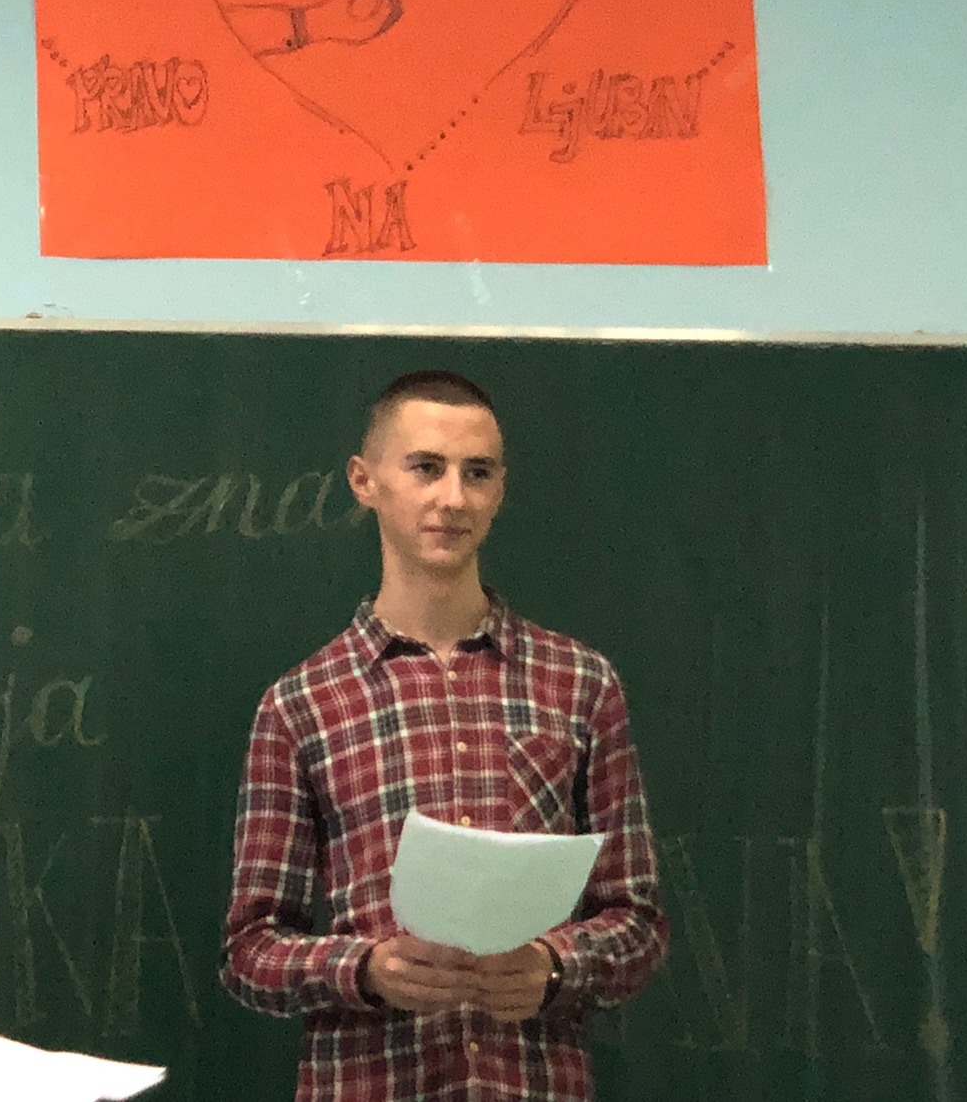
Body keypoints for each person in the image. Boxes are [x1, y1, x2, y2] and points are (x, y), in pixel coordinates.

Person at [221, 371, 668, 1101]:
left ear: (500, 489)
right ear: (365, 481)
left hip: (532, 1081)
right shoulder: (301, 704)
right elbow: (250, 951)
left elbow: (638, 921)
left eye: (477, 473)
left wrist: (555, 966)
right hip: (371, 1082)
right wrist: (366, 970)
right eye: (426, 468)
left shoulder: (580, 683)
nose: (453, 498)